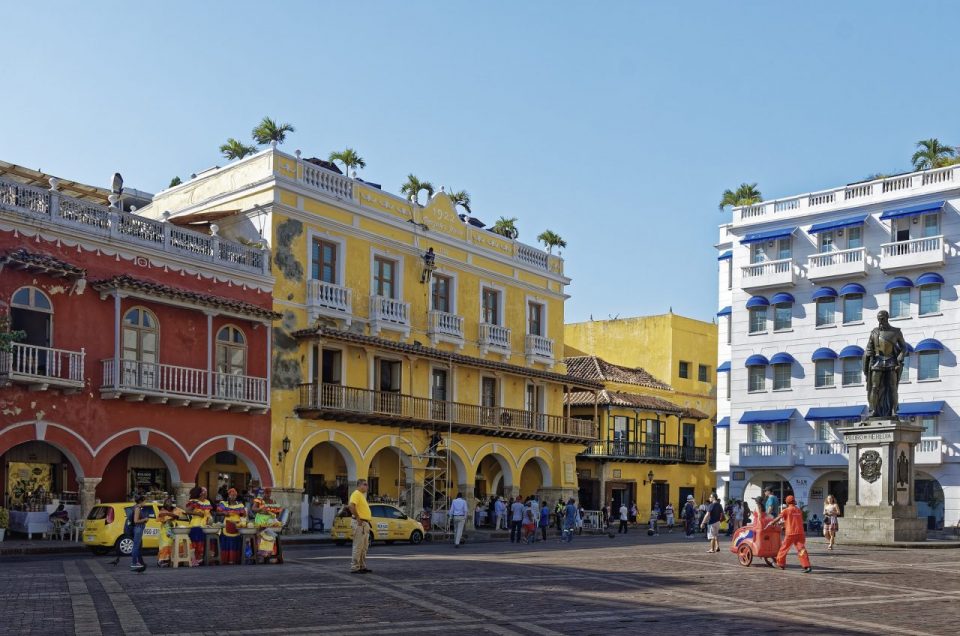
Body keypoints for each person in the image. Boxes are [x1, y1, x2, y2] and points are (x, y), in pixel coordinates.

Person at [864, 309, 907, 418]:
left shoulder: (896, 332)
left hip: (891, 362)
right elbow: (869, 347)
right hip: (877, 362)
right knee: (874, 387)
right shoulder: (874, 332)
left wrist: (901, 355)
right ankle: (873, 410)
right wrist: (869, 353)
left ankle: (894, 410)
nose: (880, 321)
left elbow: (904, 347)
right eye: (879, 319)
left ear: (887, 318)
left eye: (882, 318)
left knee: (893, 387)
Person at [766, 495, 812, 573]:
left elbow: (778, 518)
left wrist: (771, 522)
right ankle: (807, 566)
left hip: (791, 533)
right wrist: (784, 523)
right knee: (801, 549)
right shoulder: (798, 510)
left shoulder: (786, 510)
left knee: (784, 548)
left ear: (787, 502)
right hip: (800, 533)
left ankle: (780, 564)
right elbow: (793, 520)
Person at [348, 479, 372, 574]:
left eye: (367, 484)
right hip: (360, 523)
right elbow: (351, 505)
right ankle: (355, 567)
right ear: (359, 485)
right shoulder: (356, 494)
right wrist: (358, 517)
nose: (367, 486)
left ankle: (361, 566)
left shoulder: (361, 495)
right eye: (365, 484)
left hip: (364, 523)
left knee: (364, 547)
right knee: (358, 546)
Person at [218, 488, 246, 564]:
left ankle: (235, 559)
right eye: (231, 495)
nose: (233, 496)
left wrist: (242, 513)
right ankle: (227, 559)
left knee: (235, 541)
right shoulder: (224, 503)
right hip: (227, 523)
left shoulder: (240, 504)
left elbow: (244, 514)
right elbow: (218, 512)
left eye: (234, 495)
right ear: (229, 495)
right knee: (228, 541)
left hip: (237, 524)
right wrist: (224, 513)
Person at [186, 487, 212, 566]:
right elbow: (187, 511)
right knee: (196, 542)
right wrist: (197, 514)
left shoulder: (207, 502)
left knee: (202, 542)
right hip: (196, 524)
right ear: (201, 493)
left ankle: (201, 559)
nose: (206, 493)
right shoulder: (194, 502)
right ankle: (194, 559)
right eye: (205, 492)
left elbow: (208, 513)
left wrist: (209, 520)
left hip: (205, 525)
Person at [156, 498, 185, 567]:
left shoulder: (175, 509)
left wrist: (168, 514)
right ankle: (162, 560)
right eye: (167, 502)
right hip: (165, 531)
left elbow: (177, 516)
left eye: (170, 502)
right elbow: (161, 516)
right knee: (165, 544)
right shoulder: (162, 510)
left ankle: (175, 559)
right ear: (164, 503)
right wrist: (171, 515)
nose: (168, 503)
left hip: (174, 528)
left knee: (176, 543)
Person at [130, 494, 148, 572]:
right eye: (144, 501)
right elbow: (136, 521)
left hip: (139, 528)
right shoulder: (137, 508)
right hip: (138, 528)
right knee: (136, 546)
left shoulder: (136, 507)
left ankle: (138, 562)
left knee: (138, 546)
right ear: (141, 501)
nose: (145, 503)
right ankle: (134, 563)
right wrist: (144, 519)